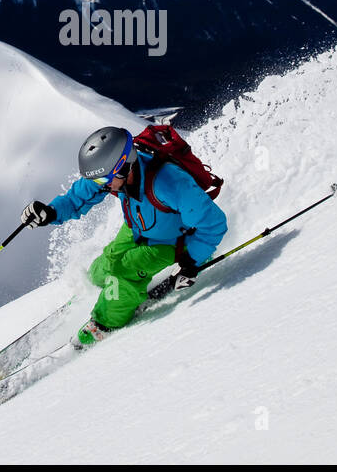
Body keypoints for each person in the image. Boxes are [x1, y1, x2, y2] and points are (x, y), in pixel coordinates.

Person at [21, 126, 227, 346]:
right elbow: (77, 197)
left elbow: (214, 224)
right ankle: (105, 289)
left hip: (173, 242)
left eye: (103, 180)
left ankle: (104, 324)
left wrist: (190, 262)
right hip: (139, 228)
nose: (101, 185)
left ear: (122, 169)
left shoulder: (170, 184)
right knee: (102, 268)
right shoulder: (117, 174)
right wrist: (50, 213)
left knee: (123, 271)